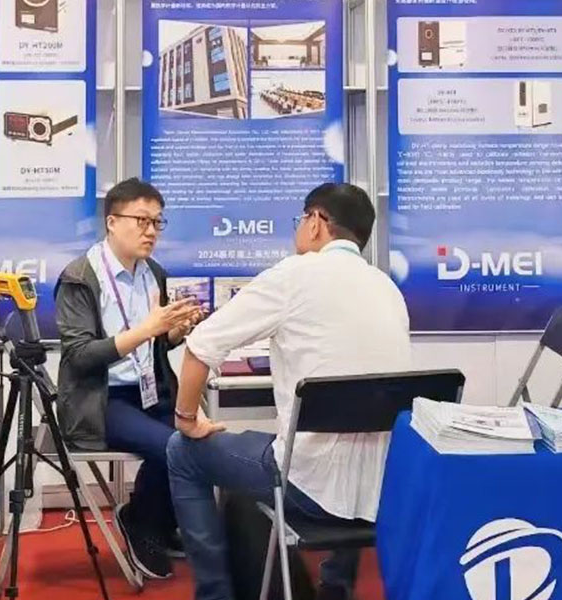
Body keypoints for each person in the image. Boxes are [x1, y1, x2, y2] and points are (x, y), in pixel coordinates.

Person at [166, 183, 413, 600]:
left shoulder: (294, 275)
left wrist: (187, 419)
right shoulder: (387, 288)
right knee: (349, 444)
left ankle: (214, 594)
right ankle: (335, 590)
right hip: (382, 492)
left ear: (316, 223)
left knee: (181, 451)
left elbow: (200, 347)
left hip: (307, 490)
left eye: (301, 219)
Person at [55, 177, 201, 579]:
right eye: (142, 220)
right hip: (102, 399)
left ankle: (150, 519)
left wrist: (175, 332)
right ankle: (141, 523)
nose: (151, 231)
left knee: (198, 438)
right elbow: (79, 357)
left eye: (157, 222)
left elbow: (155, 345)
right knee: (173, 447)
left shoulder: (153, 272)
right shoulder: (80, 277)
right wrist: (147, 329)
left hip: (150, 390)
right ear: (112, 222)